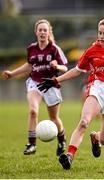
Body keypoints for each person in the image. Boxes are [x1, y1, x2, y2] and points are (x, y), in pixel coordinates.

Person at [37, 18, 104, 169]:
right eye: (99, 33)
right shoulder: (92, 50)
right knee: (84, 122)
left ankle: (96, 138)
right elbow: (77, 70)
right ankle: (69, 156)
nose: (100, 36)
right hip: (98, 88)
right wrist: (56, 80)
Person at [2, 19, 68, 156]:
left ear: (49, 32)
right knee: (33, 111)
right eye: (40, 30)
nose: (42, 32)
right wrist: (12, 73)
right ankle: (31, 144)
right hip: (34, 82)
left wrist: (57, 66)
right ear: (36, 32)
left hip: (50, 84)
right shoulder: (31, 48)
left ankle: (61, 140)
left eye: (45, 30)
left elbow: (65, 68)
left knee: (54, 118)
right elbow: (29, 65)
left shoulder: (54, 49)